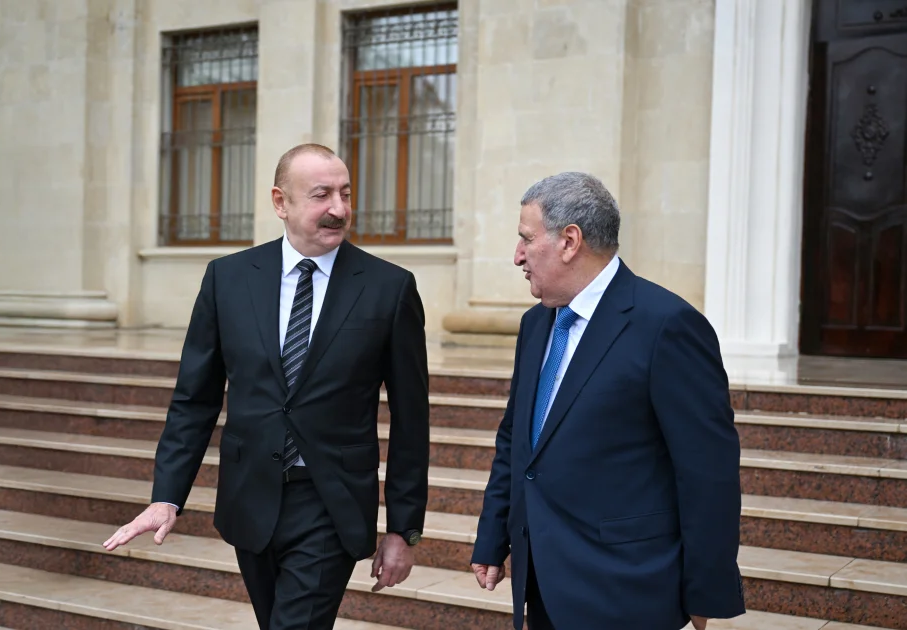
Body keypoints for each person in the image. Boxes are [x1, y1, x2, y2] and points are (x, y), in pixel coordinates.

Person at [103, 143, 430, 630]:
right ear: (281, 202)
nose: (339, 209)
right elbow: (194, 400)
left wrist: (403, 528)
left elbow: (411, 420)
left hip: (331, 502)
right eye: (321, 195)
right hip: (250, 500)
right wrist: (166, 496)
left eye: (345, 194)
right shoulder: (227, 279)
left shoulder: (390, 287)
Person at [470, 172, 745, 630]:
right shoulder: (536, 324)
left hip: (628, 590)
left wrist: (704, 590)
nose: (517, 255)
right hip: (543, 584)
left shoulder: (667, 325)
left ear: (569, 241)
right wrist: (493, 536)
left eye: (526, 239)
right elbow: (516, 441)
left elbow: (707, 472)